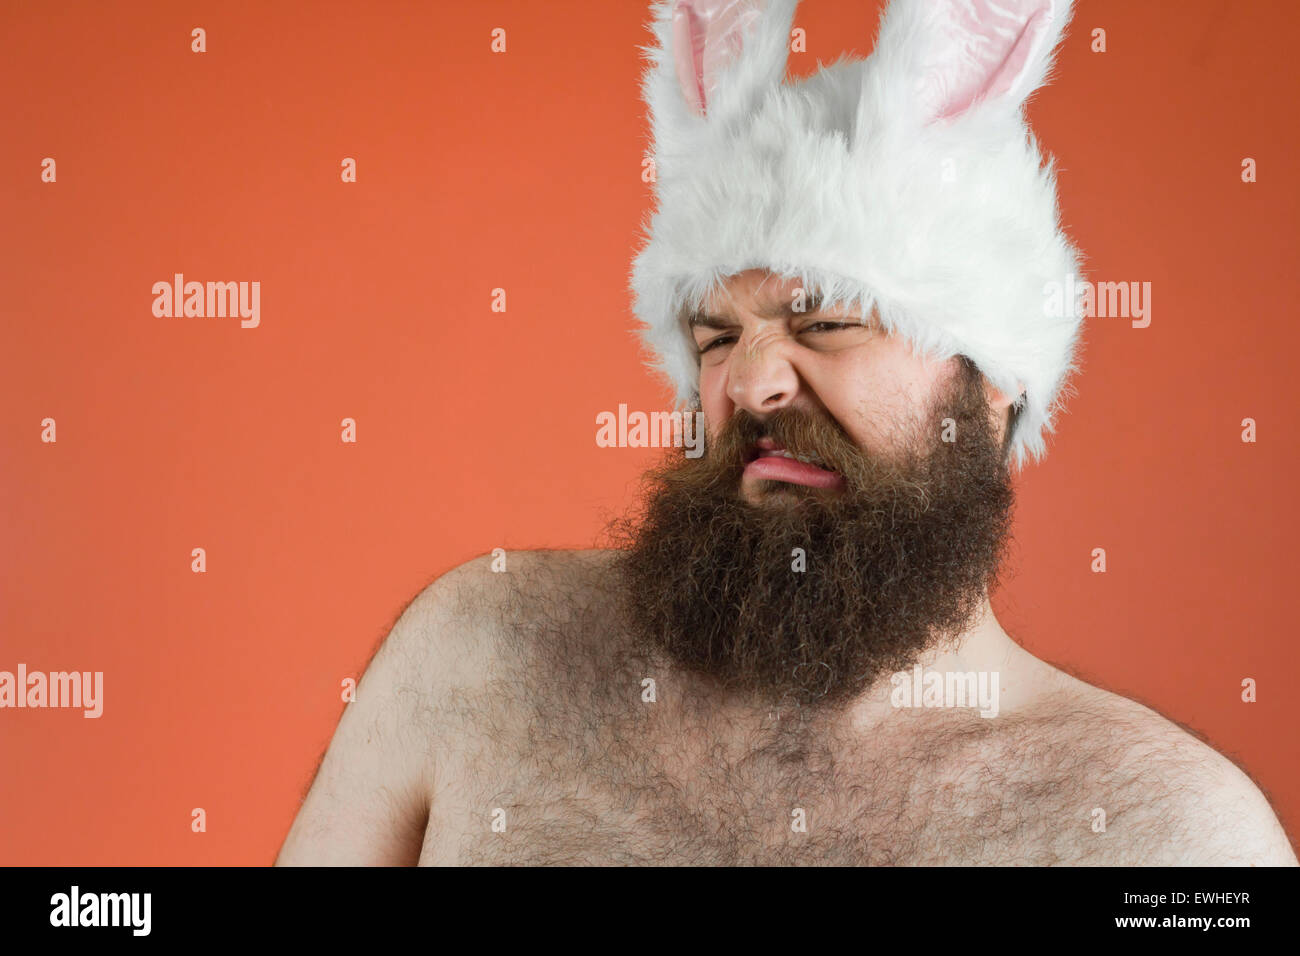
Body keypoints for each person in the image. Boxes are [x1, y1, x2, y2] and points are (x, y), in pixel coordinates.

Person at [276, 0, 1297, 865]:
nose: (753, 379)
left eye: (826, 322)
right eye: (716, 336)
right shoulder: (476, 657)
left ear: (992, 391)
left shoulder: (1173, 835)